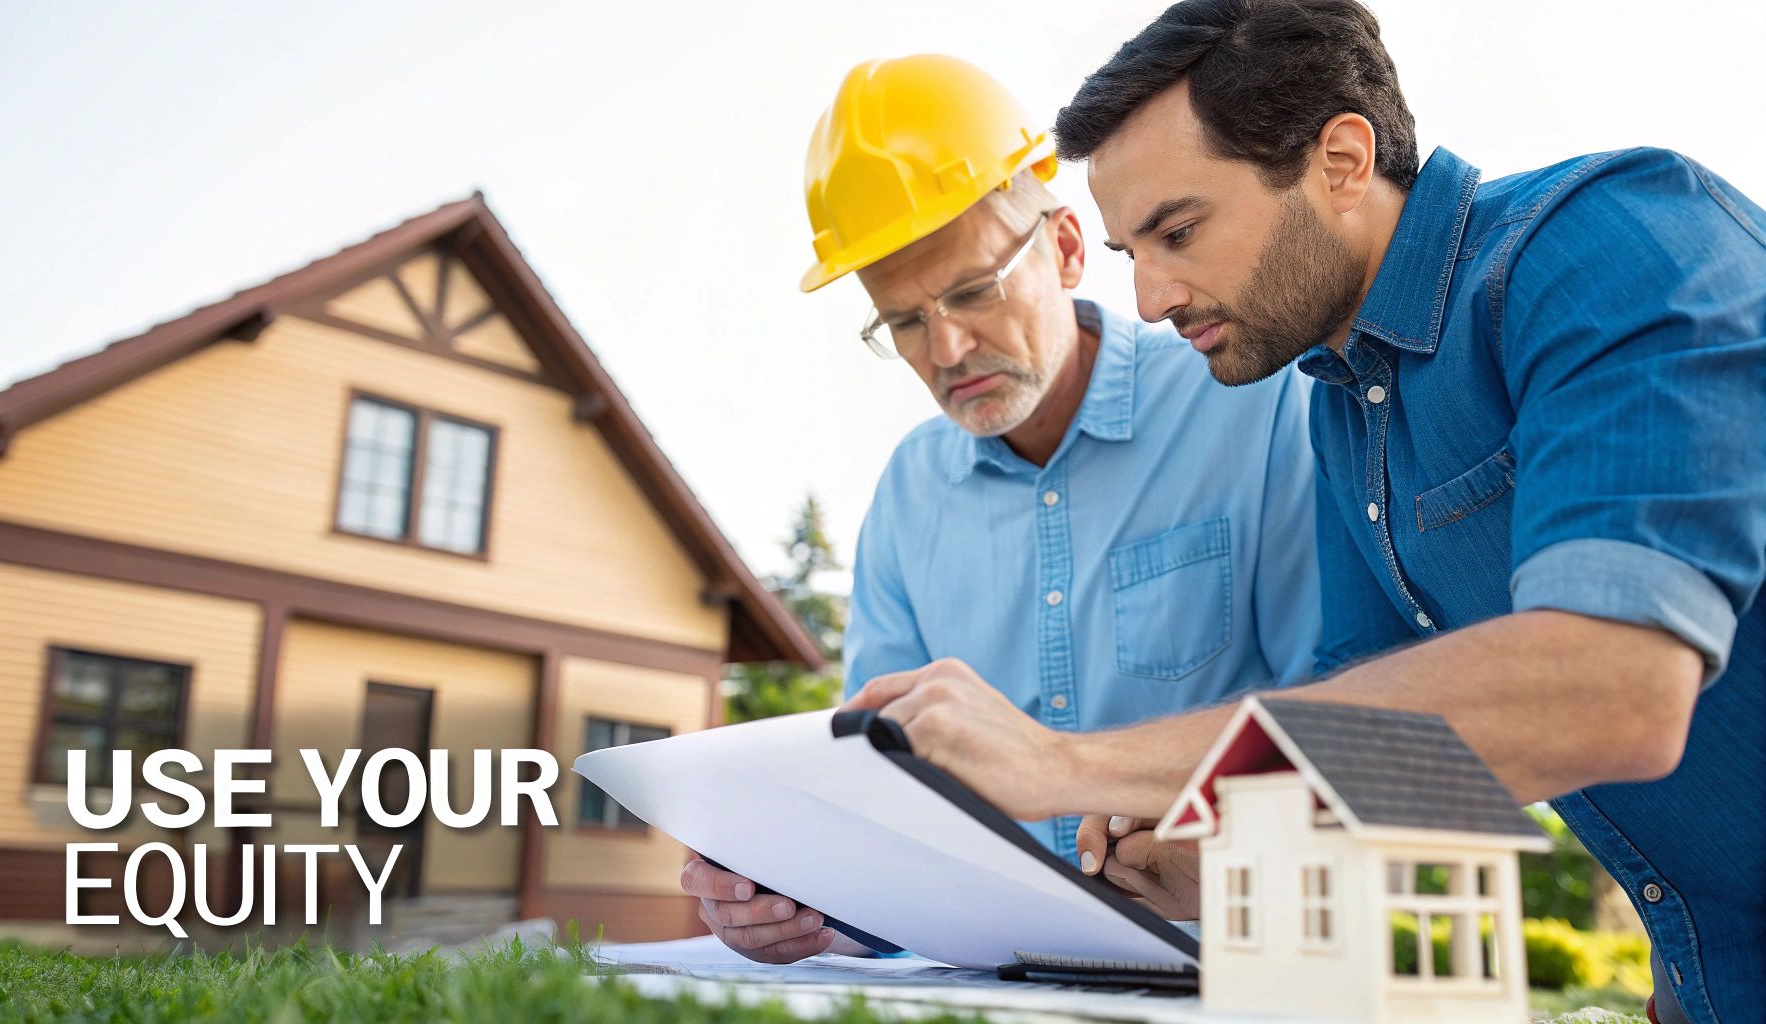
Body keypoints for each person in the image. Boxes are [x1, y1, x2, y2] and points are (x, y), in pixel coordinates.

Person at [846, 4, 1766, 1021]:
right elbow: (1388, 760)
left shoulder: (1612, 241)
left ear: (1338, 160)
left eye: (1178, 231)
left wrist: (1064, 765)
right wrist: (1231, 859)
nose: (1148, 297)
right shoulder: (1341, 404)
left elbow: (1612, 690)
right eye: (1129, 253)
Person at [679, 54, 1324, 965]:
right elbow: (888, 808)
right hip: (991, 985)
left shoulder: (1254, 406)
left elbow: (1355, 723)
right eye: (902, 321)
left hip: (1252, 972)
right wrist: (809, 899)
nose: (945, 346)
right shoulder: (908, 496)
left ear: (1064, 249)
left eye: (972, 292)